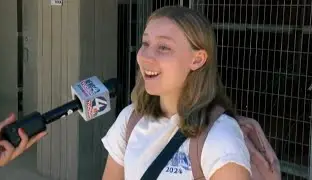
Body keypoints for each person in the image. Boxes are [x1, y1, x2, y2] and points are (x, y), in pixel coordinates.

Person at [102, 6, 251, 180]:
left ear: (197, 60)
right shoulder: (129, 120)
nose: (146, 57)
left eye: (164, 47)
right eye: (145, 43)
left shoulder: (220, 137)